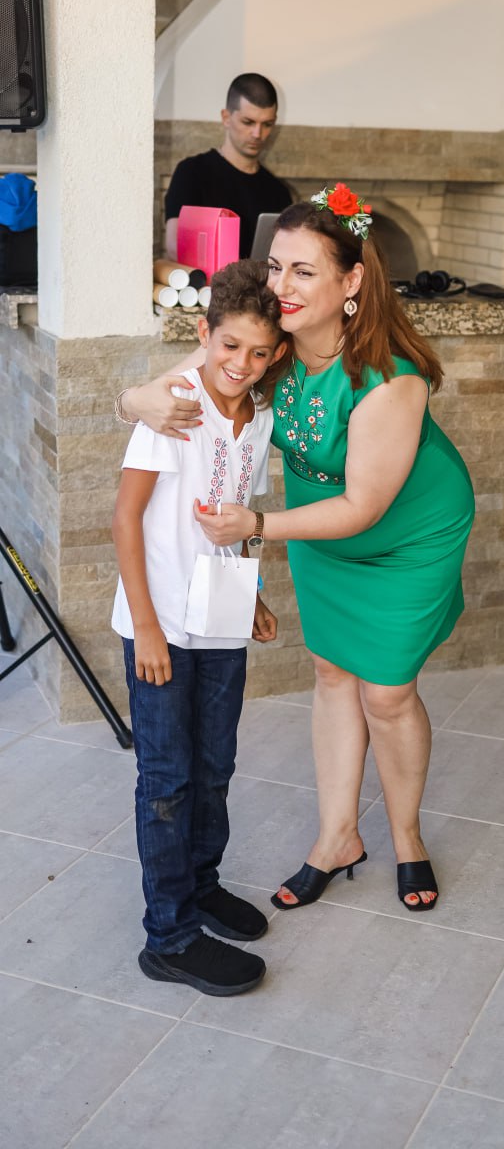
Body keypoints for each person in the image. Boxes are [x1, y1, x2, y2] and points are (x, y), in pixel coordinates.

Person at [118, 183, 476, 914]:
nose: (281, 284)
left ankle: (406, 836)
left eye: (304, 271)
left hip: (409, 535)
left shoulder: (390, 379)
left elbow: (364, 506)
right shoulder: (272, 348)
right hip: (319, 527)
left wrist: (256, 526)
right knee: (334, 674)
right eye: (276, 265)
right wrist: (133, 401)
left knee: (387, 691)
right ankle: (337, 837)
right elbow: (175, 385)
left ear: (351, 282)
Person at [112, 260, 286, 995]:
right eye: (229, 345)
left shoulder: (261, 418)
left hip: (219, 620)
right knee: (168, 779)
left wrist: (252, 596)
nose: (241, 364)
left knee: (215, 766)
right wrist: (146, 627)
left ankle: (202, 885)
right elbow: (124, 520)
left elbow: (234, 518)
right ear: (205, 335)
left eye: (258, 352)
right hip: (159, 625)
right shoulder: (176, 406)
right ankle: (170, 936)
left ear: (276, 353)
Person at [164, 73, 292, 260]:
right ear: (226, 117)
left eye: (267, 124)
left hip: (260, 280)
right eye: (248, 122)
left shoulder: (279, 192)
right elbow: (175, 247)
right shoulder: (192, 173)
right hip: (209, 280)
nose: (257, 134)